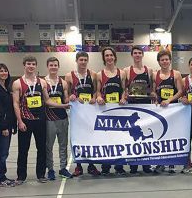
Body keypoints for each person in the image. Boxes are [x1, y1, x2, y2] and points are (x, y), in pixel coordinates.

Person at [12, 55, 69, 184]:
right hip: (25, 120)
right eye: (28, 64)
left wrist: (63, 105)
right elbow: (15, 103)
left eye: (33, 64)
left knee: (42, 148)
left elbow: (48, 100)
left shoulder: (42, 82)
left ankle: (41, 174)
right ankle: (21, 176)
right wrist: (19, 121)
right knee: (23, 149)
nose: (31, 66)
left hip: (40, 120)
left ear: (36, 66)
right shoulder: (17, 83)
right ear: (24, 65)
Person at [65, 51, 101, 177]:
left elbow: (97, 91)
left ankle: (91, 165)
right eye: (81, 60)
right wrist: (72, 96)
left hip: (90, 111)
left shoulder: (93, 74)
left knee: (91, 138)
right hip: (77, 112)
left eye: (85, 60)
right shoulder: (69, 76)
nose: (83, 62)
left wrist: (94, 97)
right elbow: (67, 94)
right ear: (76, 61)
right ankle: (78, 166)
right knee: (77, 138)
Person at [96, 47, 127, 175]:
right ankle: (105, 166)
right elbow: (98, 91)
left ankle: (119, 166)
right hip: (106, 112)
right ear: (104, 58)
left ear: (115, 57)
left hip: (119, 111)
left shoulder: (122, 73)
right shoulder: (99, 74)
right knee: (106, 139)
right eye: (106, 56)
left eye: (111, 55)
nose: (109, 58)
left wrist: (123, 97)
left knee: (120, 139)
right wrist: (98, 97)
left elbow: (125, 89)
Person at [124, 46, 154, 174]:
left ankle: (146, 164)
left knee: (145, 136)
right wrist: (125, 95)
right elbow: (124, 88)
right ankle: (134, 164)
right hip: (132, 108)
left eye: (139, 53)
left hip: (146, 107)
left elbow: (152, 88)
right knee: (133, 137)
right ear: (132, 55)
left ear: (142, 55)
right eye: (135, 53)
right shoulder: (127, 70)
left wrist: (153, 93)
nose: (137, 55)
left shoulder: (149, 70)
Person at [153, 49, 183, 173]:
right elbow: (153, 91)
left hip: (172, 110)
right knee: (160, 135)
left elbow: (180, 91)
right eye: (162, 60)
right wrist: (155, 99)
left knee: (172, 135)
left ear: (170, 61)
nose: (164, 62)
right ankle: (160, 162)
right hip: (160, 110)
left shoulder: (176, 74)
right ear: (159, 62)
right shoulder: (155, 75)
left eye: (166, 59)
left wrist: (169, 100)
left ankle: (171, 162)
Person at [44, 57, 72, 180]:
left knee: (63, 144)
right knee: (48, 146)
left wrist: (72, 98)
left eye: (56, 65)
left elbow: (65, 99)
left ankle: (63, 168)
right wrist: (64, 105)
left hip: (62, 118)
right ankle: (50, 169)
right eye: (51, 65)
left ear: (58, 66)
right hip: (49, 118)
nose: (54, 67)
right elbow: (47, 101)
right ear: (47, 66)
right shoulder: (43, 82)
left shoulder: (63, 83)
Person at [0, 63, 17, 187]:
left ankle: (2, 175)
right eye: (1, 71)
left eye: (5, 70)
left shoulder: (6, 88)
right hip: (2, 127)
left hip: (9, 125)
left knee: (4, 152)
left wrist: (13, 125)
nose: (4, 73)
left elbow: (10, 109)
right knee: (2, 152)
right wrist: (4, 127)